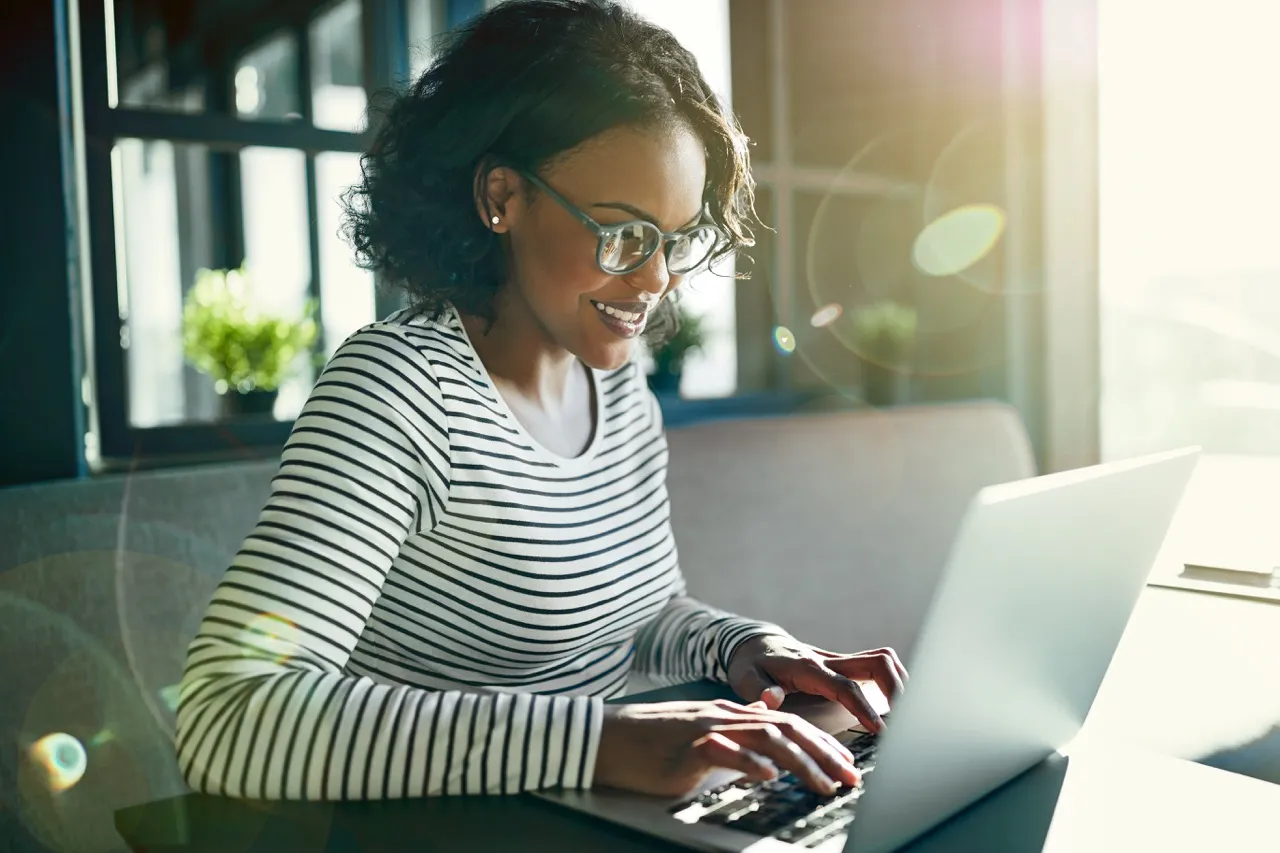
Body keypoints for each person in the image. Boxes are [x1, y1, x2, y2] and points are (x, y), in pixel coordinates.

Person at [175, 0, 907, 802]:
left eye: (675, 240)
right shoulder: (398, 390)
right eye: (623, 234)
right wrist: (600, 741)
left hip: (590, 817)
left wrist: (747, 647)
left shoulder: (616, 384)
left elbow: (639, 613)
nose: (657, 279)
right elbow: (227, 712)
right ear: (502, 197)